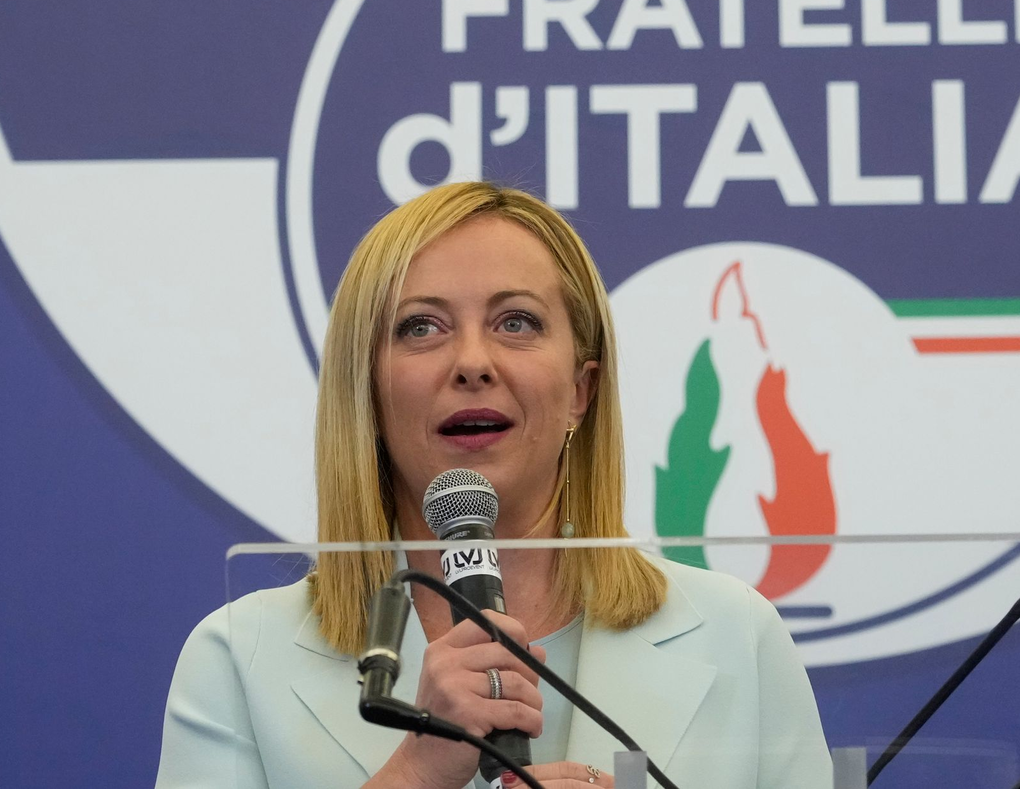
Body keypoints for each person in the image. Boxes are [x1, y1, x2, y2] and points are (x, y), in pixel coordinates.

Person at [155, 181, 832, 789]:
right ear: (366, 395)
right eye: (422, 327)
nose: (473, 362)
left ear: (581, 390)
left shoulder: (737, 636)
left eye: (516, 322)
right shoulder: (239, 659)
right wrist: (416, 775)